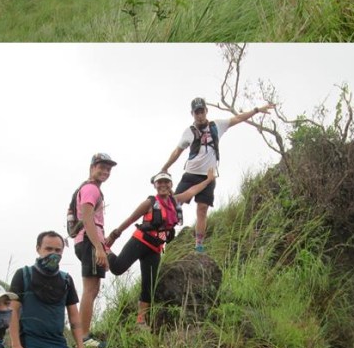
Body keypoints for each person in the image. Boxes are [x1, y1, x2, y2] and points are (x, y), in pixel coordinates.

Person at [159, 98, 273, 253]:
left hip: (209, 177)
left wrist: (257, 110)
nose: (199, 115)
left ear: (206, 111)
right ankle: (164, 235)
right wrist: (165, 167)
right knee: (173, 203)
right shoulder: (189, 132)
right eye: (196, 112)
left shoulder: (217, 126)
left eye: (202, 111)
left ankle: (199, 244)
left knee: (202, 209)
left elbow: (238, 118)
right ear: (192, 114)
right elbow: (177, 151)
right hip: (191, 174)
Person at [105, 168, 215, 326]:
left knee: (149, 285)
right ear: (155, 185)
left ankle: (141, 320)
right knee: (117, 268)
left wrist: (208, 180)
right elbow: (131, 219)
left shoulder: (176, 201)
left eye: (166, 182)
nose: (163, 185)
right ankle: (104, 251)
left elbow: (193, 190)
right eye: (159, 182)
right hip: (140, 242)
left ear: (171, 184)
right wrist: (113, 236)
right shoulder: (150, 203)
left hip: (155, 249)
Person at [72, 152, 117, 346]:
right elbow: (87, 218)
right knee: (90, 289)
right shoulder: (91, 189)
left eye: (108, 169)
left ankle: (83, 335)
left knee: (93, 288)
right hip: (89, 242)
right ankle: (83, 337)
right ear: (92, 168)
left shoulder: (91, 188)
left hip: (90, 241)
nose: (105, 171)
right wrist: (98, 248)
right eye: (102, 167)